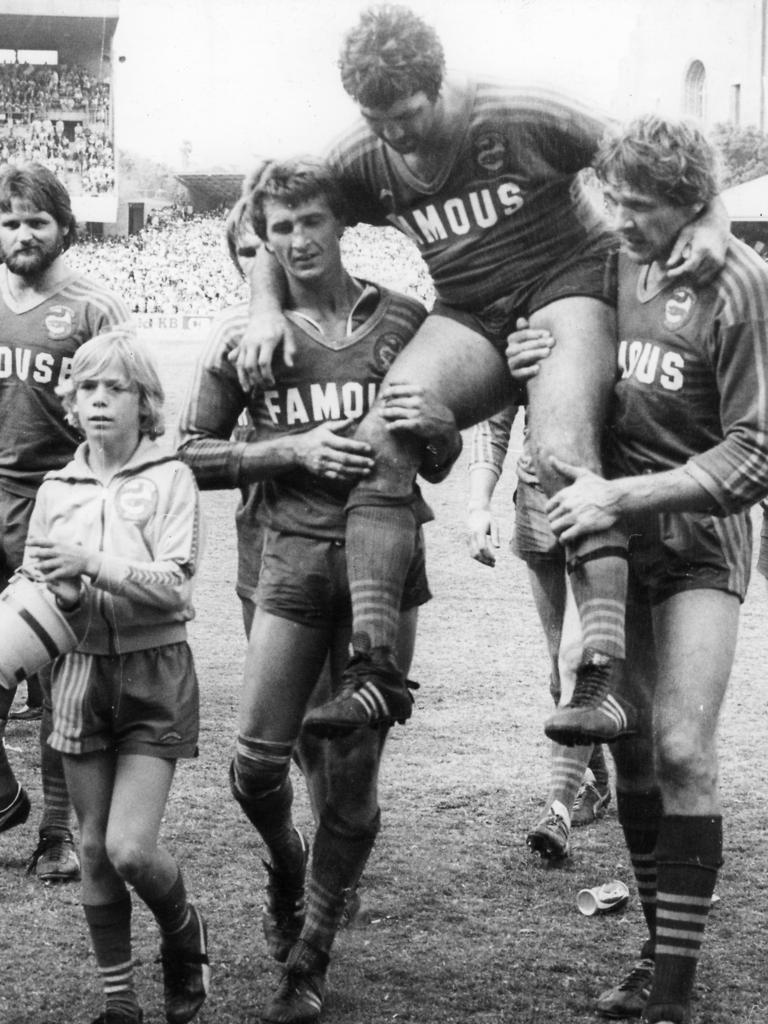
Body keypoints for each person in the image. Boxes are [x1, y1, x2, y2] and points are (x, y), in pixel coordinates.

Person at [236, 4, 729, 745]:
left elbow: (646, 156)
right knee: (385, 431)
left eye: (407, 113)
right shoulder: (362, 151)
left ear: (441, 85)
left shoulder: (519, 110)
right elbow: (262, 216)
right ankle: (376, 671)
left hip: (568, 284)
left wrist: (713, 214)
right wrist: (264, 308)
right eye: (378, 119)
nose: (396, 133)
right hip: (471, 311)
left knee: (563, 450)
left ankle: (598, 671)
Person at [178, 157, 460, 1024]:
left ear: (342, 224)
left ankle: (311, 954)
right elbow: (192, 452)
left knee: (355, 769)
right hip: (287, 559)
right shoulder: (246, 339)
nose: (297, 241)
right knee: (262, 761)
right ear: (262, 237)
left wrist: (444, 430)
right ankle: (284, 862)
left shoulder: (404, 321)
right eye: (279, 229)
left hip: (387, 565)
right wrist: (291, 451)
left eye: (311, 222)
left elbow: (434, 455)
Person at [515, 114, 768, 1024]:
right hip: (613, 542)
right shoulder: (609, 259)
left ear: (693, 204)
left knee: (683, 749)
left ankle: (674, 993)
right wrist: (528, 355)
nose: (621, 219)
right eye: (613, 200)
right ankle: (656, 952)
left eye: (643, 207)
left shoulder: (738, 284)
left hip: (699, 536)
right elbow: (565, 346)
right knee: (629, 750)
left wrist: (631, 496)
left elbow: (755, 455)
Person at [24, 329, 209, 1024]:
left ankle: (183, 929)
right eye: (87, 388)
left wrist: (92, 565)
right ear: (71, 402)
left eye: (117, 388)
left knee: (130, 849)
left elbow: (176, 586)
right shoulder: (55, 488)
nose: (99, 400)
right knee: (94, 847)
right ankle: (119, 1002)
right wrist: (51, 597)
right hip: (75, 676)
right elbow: (37, 586)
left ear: (145, 402)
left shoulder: (171, 479)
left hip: (154, 670)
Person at [0, 161, 131, 881]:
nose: (22, 234)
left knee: (58, 682)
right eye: (10, 220)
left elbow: (129, 412)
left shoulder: (93, 308)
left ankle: (55, 831)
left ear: (64, 228)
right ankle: (5, 800)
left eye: (36, 221)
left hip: (58, 504)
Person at [467, 401, 610, 861]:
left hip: (603, 497)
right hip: (536, 500)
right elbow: (495, 418)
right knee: (558, 669)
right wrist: (478, 503)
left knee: (579, 662)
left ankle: (558, 812)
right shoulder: (525, 331)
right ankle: (596, 782)